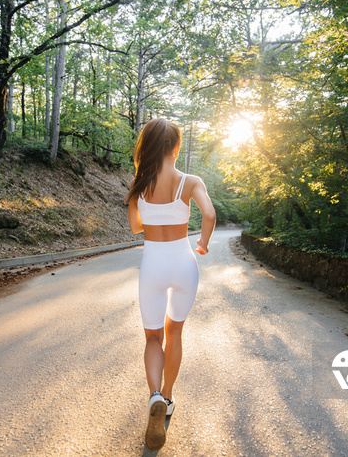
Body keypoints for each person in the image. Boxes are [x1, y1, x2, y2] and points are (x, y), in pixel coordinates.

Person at [126, 118, 216, 450]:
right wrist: (203, 243)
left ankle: (153, 396)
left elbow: (136, 227)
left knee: (152, 337)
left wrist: (141, 203)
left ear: (147, 147)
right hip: (183, 263)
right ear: (176, 147)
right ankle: (168, 396)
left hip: (153, 263)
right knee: (174, 331)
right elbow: (209, 214)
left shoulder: (139, 185)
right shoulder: (190, 181)